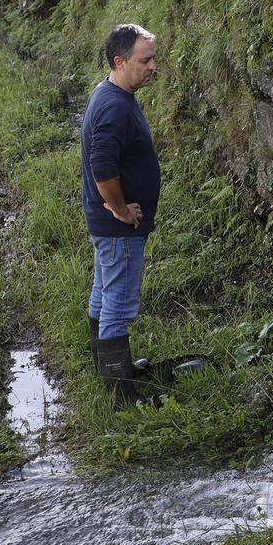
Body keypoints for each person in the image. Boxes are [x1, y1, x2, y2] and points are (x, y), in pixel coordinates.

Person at [81, 24, 161, 405]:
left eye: (152, 59)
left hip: (106, 227)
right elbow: (101, 167)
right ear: (119, 61)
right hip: (117, 228)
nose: (152, 67)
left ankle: (110, 372)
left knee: (102, 294)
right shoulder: (114, 106)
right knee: (117, 304)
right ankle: (121, 396)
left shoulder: (110, 93)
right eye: (144, 60)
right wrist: (120, 210)